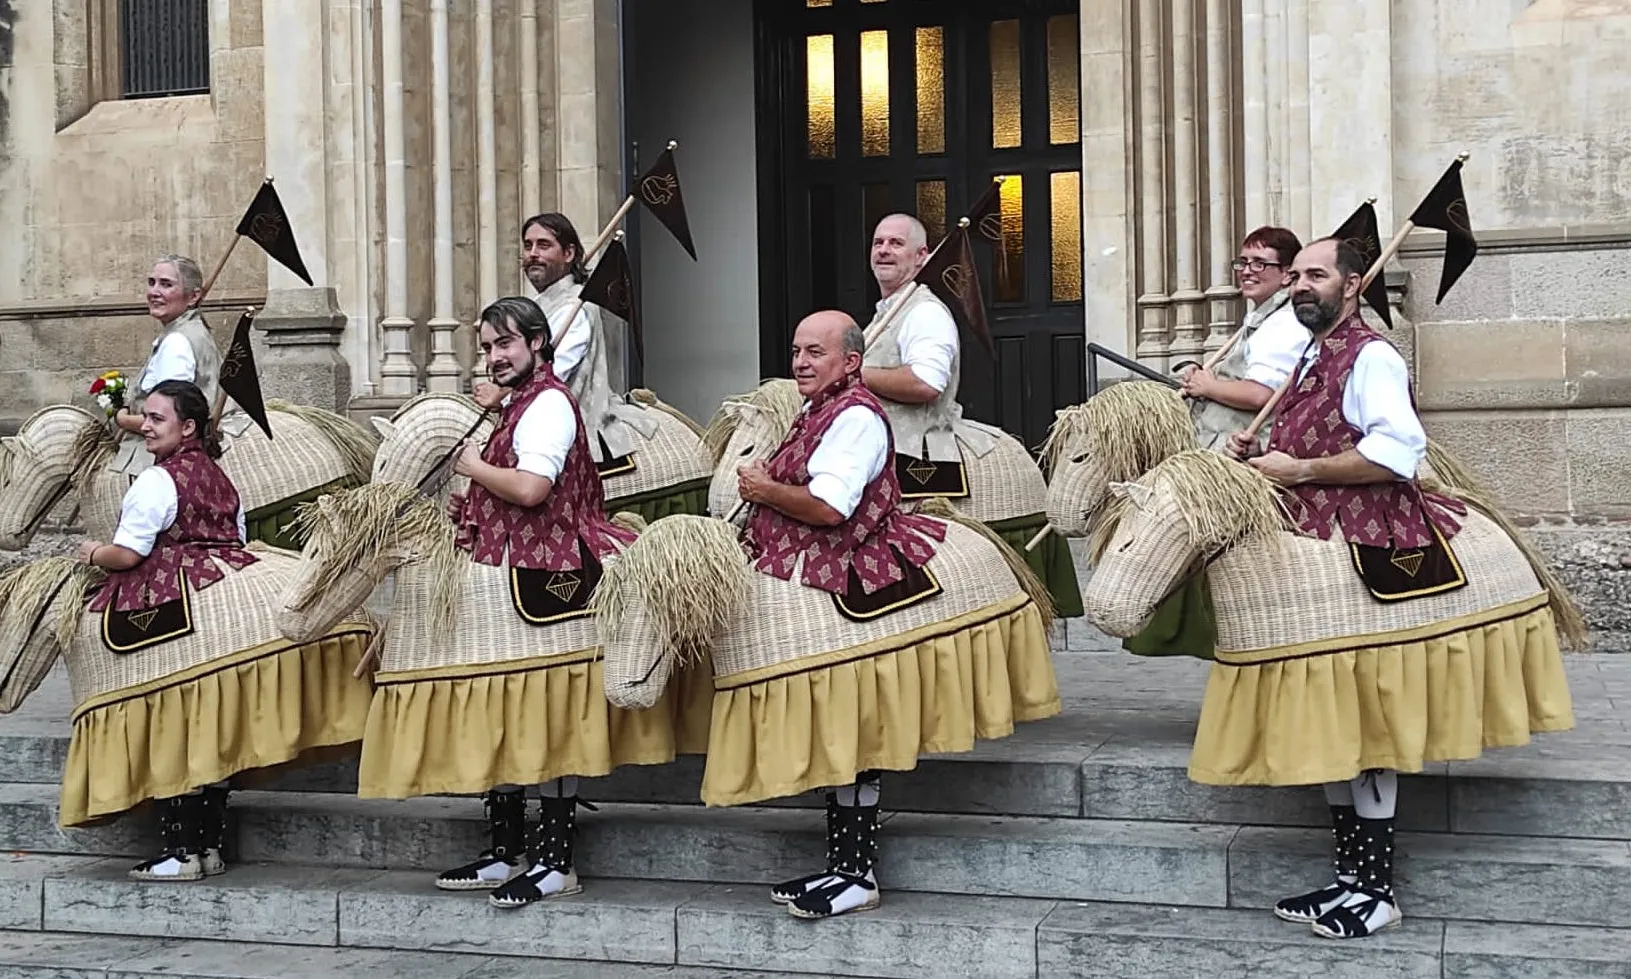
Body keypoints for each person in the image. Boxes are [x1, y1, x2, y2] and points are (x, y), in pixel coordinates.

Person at [1226, 238, 1466, 939]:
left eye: (1316, 275)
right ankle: (1349, 879)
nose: (1300, 285)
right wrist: (1259, 450)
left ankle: (1377, 890)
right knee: (1331, 717)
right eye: (1296, 276)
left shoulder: (1371, 356)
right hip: (1311, 543)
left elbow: (1397, 450)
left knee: (1362, 714)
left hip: (1367, 542)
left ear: (1353, 284)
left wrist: (1300, 471)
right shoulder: (1310, 354)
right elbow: (1307, 440)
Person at [737, 309, 944, 921]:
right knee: (837, 736)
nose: (800, 362)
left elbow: (830, 508)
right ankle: (841, 866)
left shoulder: (854, 415)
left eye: (815, 352)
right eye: (796, 351)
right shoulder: (817, 409)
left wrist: (763, 490)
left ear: (851, 362)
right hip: (811, 575)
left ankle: (858, 875)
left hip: (847, 582)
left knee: (852, 729)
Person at [437, 296, 639, 908]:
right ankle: (506, 851)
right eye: (487, 347)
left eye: (505, 344)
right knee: (504, 707)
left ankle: (556, 862)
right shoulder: (515, 404)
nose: (494, 357)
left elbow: (531, 488)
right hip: (509, 571)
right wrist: (473, 502)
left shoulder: (548, 402)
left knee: (549, 713)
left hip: (552, 573)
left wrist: (475, 467)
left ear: (536, 344)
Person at [81, 380, 253, 881]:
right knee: (208, 722)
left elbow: (127, 553)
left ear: (189, 427)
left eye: (157, 418)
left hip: (169, 611)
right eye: (146, 416)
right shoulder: (219, 476)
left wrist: (91, 553)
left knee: (170, 720)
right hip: (223, 606)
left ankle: (181, 852)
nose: (147, 426)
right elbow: (238, 538)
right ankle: (209, 848)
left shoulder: (156, 481)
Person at [503, 213, 646, 467]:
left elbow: (555, 373)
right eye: (528, 245)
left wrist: (504, 397)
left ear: (568, 253)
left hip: (569, 417)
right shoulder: (538, 305)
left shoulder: (577, 307)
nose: (533, 253)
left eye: (543, 245)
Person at [1180, 227, 1311, 452]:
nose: (1247, 271)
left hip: (1238, 453)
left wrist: (1209, 387)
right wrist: (1204, 378)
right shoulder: (1261, 318)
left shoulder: (1285, 322)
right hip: (1217, 444)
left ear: (1287, 274)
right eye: (1243, 263)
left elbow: (1260, 393)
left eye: (1259, 264)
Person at [110, 257, 223, 475]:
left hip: (165, 460)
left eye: (166, 284)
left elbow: (168, 420)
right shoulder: (188, 330)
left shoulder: (177, 343)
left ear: (193, 296)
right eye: (151, 282)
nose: (154, 292)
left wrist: (121, 419)